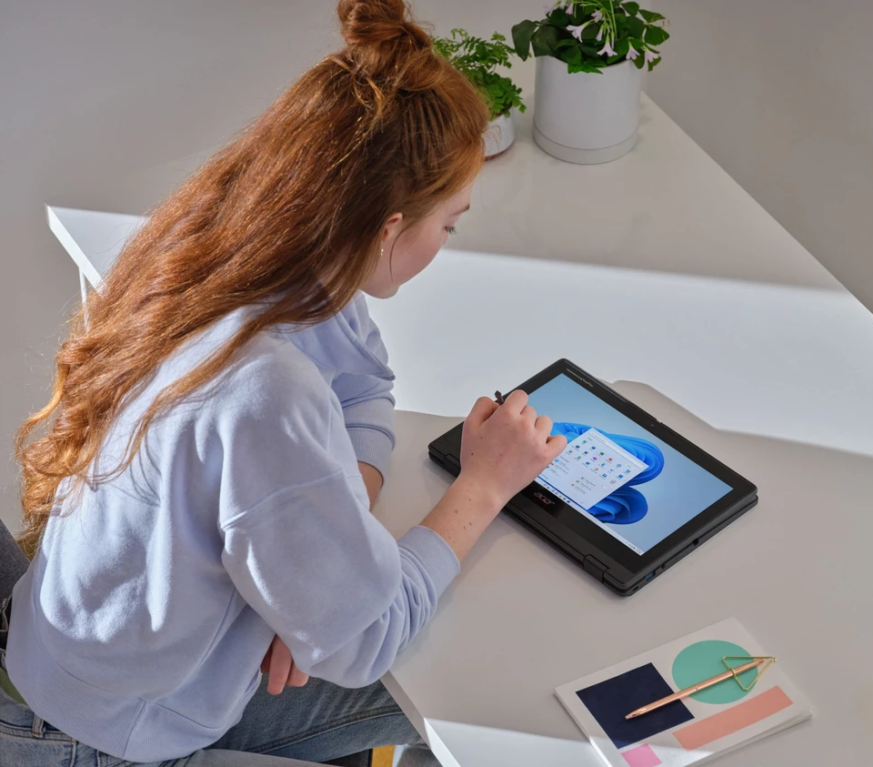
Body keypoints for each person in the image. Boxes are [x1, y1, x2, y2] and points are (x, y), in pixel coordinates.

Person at [0, 1, 567, 764]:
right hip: (106, 741)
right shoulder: (261, 388)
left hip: (93, 672)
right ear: (389, 228)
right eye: (450, 224)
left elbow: (365, 387)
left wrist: (309, 558)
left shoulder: (241, 261)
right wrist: (484, 484)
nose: (448, 242)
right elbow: (369, 637)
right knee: (478, 685)